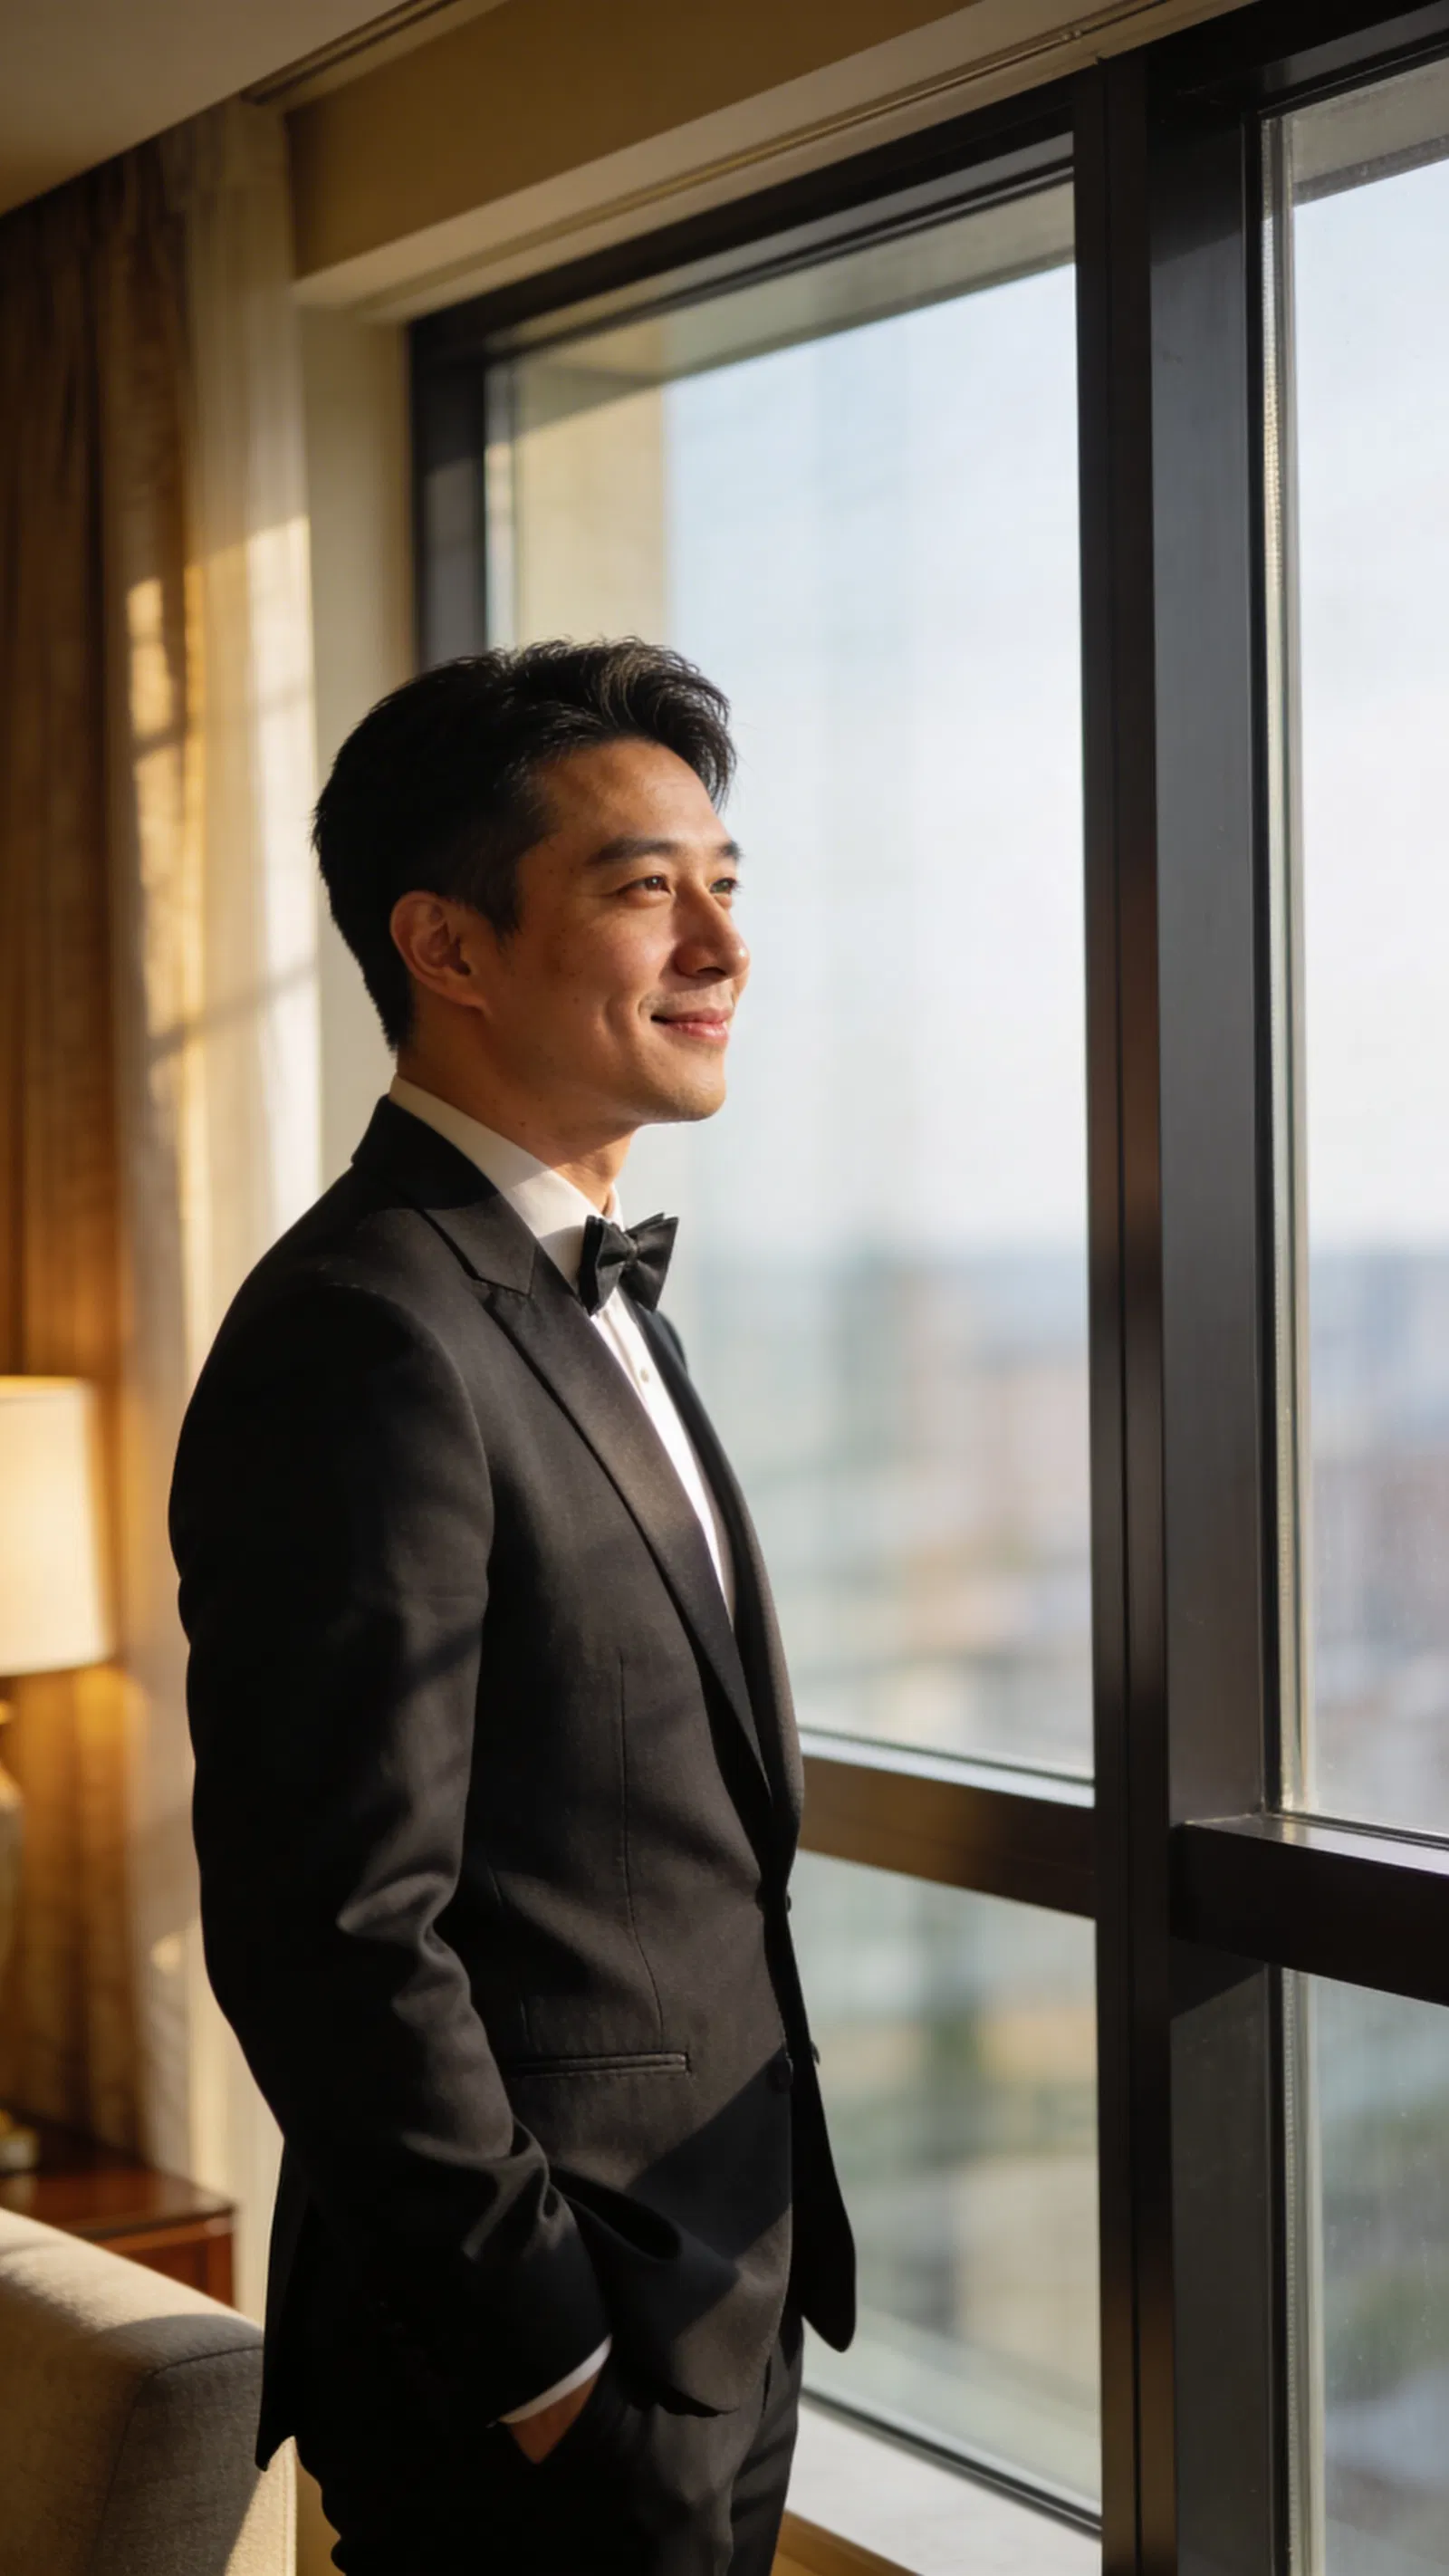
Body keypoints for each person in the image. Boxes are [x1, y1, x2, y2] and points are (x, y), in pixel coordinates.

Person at [168, 640, 856, 2576]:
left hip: (709, 2304)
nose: (720, 942)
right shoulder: (365, 1330)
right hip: (533, 2371)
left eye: (727, 881)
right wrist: (550, 2363)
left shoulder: (573, 1285)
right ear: (446, 948)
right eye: (646, 888)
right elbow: (333, 1931)